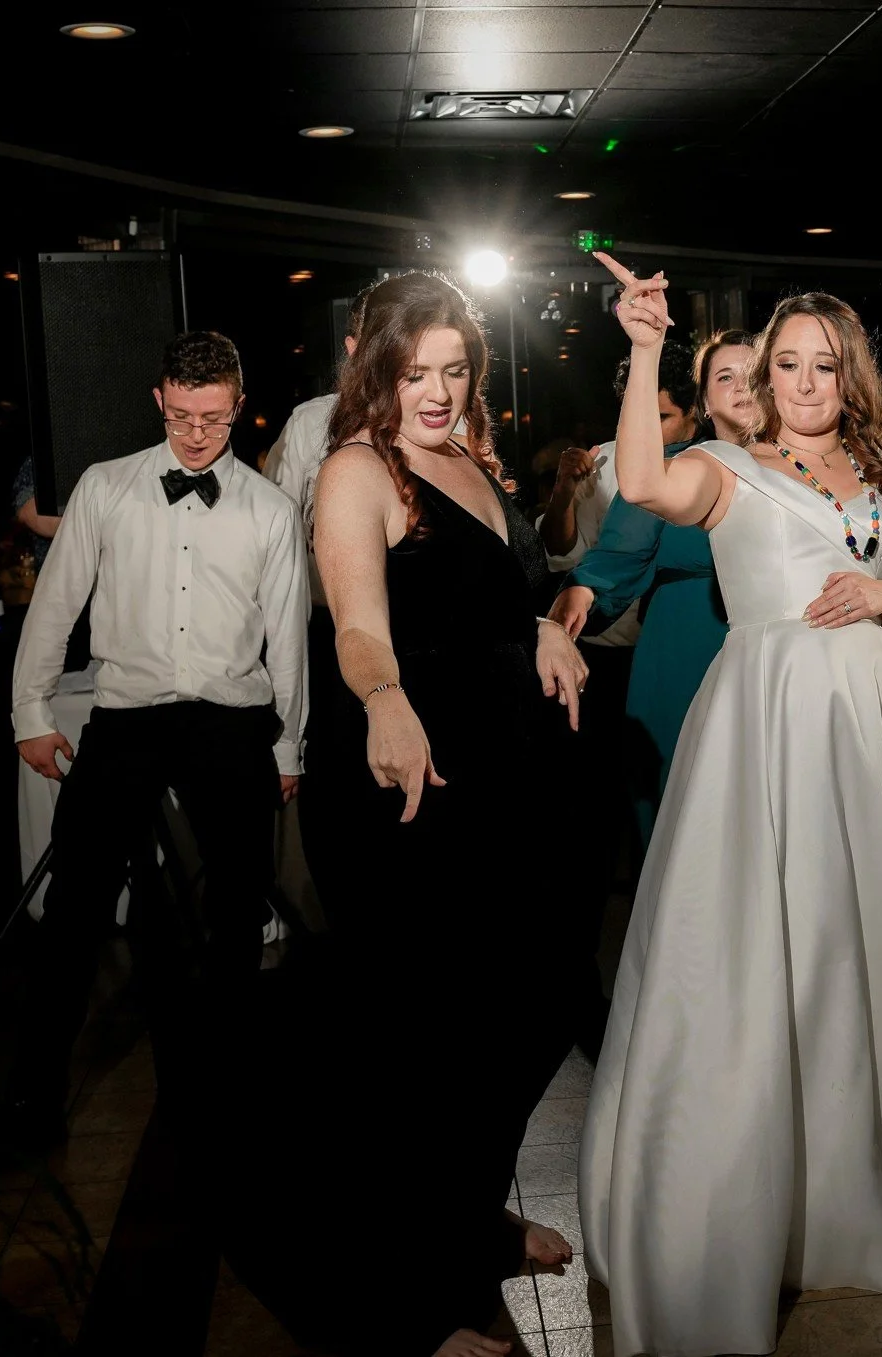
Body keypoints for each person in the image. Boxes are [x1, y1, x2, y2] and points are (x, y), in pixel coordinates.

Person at [579, 255, 882, 1357]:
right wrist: (644, 349)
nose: (802, 382)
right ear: (761, 378)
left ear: (851, 375)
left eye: (822, 365)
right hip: (766, 722)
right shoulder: (725, 471)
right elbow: (639, 482)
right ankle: (757, 1193)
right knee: (766, 950)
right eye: (784, 365)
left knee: (874, 943)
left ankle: (876, 1164)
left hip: (876, 725)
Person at [236, 271, 587, 1357]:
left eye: (454, 370)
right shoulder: (359, 467)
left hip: (504, 786)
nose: (435, 391)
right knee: (426, 1046)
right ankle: (417, 1304)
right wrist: (384, 698)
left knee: (532, 1007)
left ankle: (469, 1217)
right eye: (413, 372)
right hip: (408, 787)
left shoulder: (471, 458)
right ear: (374, 369)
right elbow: (358, 623)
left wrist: (544, 625)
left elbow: (498, 591)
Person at [0, 332, 308, 1177]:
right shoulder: (104, 486)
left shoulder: (269, 509)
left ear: (238, 404)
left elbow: (288, 637)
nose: (197, 434)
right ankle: (29, 1109)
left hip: (231, 721)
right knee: (72, 912)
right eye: (182, 416)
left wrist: (289, 744)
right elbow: (55, 605)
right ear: (159, 400)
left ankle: (227, 1108)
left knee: (236, 918)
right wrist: (30, 710)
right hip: (126, 718)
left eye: (214, 417)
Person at [545, 342, 699, 1059]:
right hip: (603, 660)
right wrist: (563, 492)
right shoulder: (603, 464)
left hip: (672, 654)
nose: (653, 425)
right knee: (604, 825)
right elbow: (569, 557)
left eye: (666, 415)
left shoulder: (705, 467)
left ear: (691, 415)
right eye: (642, 410)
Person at [549, 330, 755, 838]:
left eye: (753, 374)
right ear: (703, 398)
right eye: (725, 376)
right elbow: (617, 556)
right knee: (686, 814)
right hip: (682, 650)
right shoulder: (674, 470)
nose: (741, 387)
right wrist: (579, 594)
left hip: (773, 652)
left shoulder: (801, 466)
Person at [262, 283, 371, 930]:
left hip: (417, 634)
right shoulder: (310, 423)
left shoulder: (442, 418)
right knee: (337, 785)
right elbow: (275, 539)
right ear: (354, 347)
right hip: (329, 632)